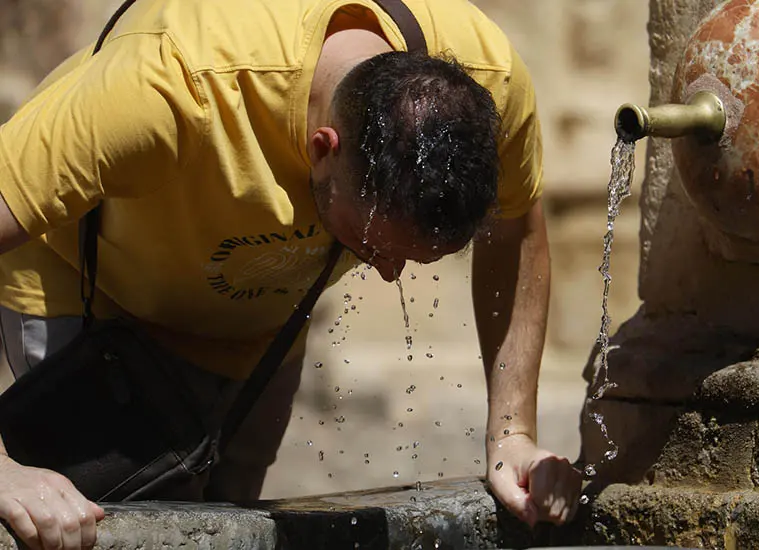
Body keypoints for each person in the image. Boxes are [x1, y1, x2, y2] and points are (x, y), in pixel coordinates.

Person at [0, 0, 583, 548]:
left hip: (261, 317)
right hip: (92, 299)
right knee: (77, 527)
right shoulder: (174, 85)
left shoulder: (490, 87)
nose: (386, 274)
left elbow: (516, 227)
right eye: (370, 244)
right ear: (322, 146)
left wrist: (512, 437)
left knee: (229, 527)